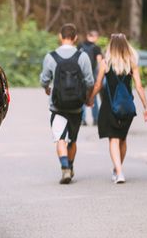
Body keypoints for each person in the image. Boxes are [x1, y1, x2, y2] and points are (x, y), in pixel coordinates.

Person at [87, 33, 147, 184]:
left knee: (113, 139)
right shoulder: (131, 62)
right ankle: (118, 169)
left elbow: (97, 84)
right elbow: (139, 87)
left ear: (111, 46)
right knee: (122, 139)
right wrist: (146, 107)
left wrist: (90, 99)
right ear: (125, 46)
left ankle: (119, 172)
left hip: (110, 105)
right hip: (127, 105)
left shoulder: (105, 62)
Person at [40, 23, 94, 185]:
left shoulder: (51, 56)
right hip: (77, 105)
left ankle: (65, 169)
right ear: (76, 38)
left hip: (57, 105)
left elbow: (44, 80)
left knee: (60, 138)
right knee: (73, 140)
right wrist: (87, 97)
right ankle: (70, 166)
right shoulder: (82, 56)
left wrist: (46, 89)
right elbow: (90, 81)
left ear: (60, 37)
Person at [79, 30, 104, 126]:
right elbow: (99, 62)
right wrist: (100, 76)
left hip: (81, 75)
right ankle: (96, 119)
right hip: (92, 75)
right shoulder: (96, 48)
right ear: (95, 37)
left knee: (82, 97)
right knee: (93, 96)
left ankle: (82, 119)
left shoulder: (80, 46)